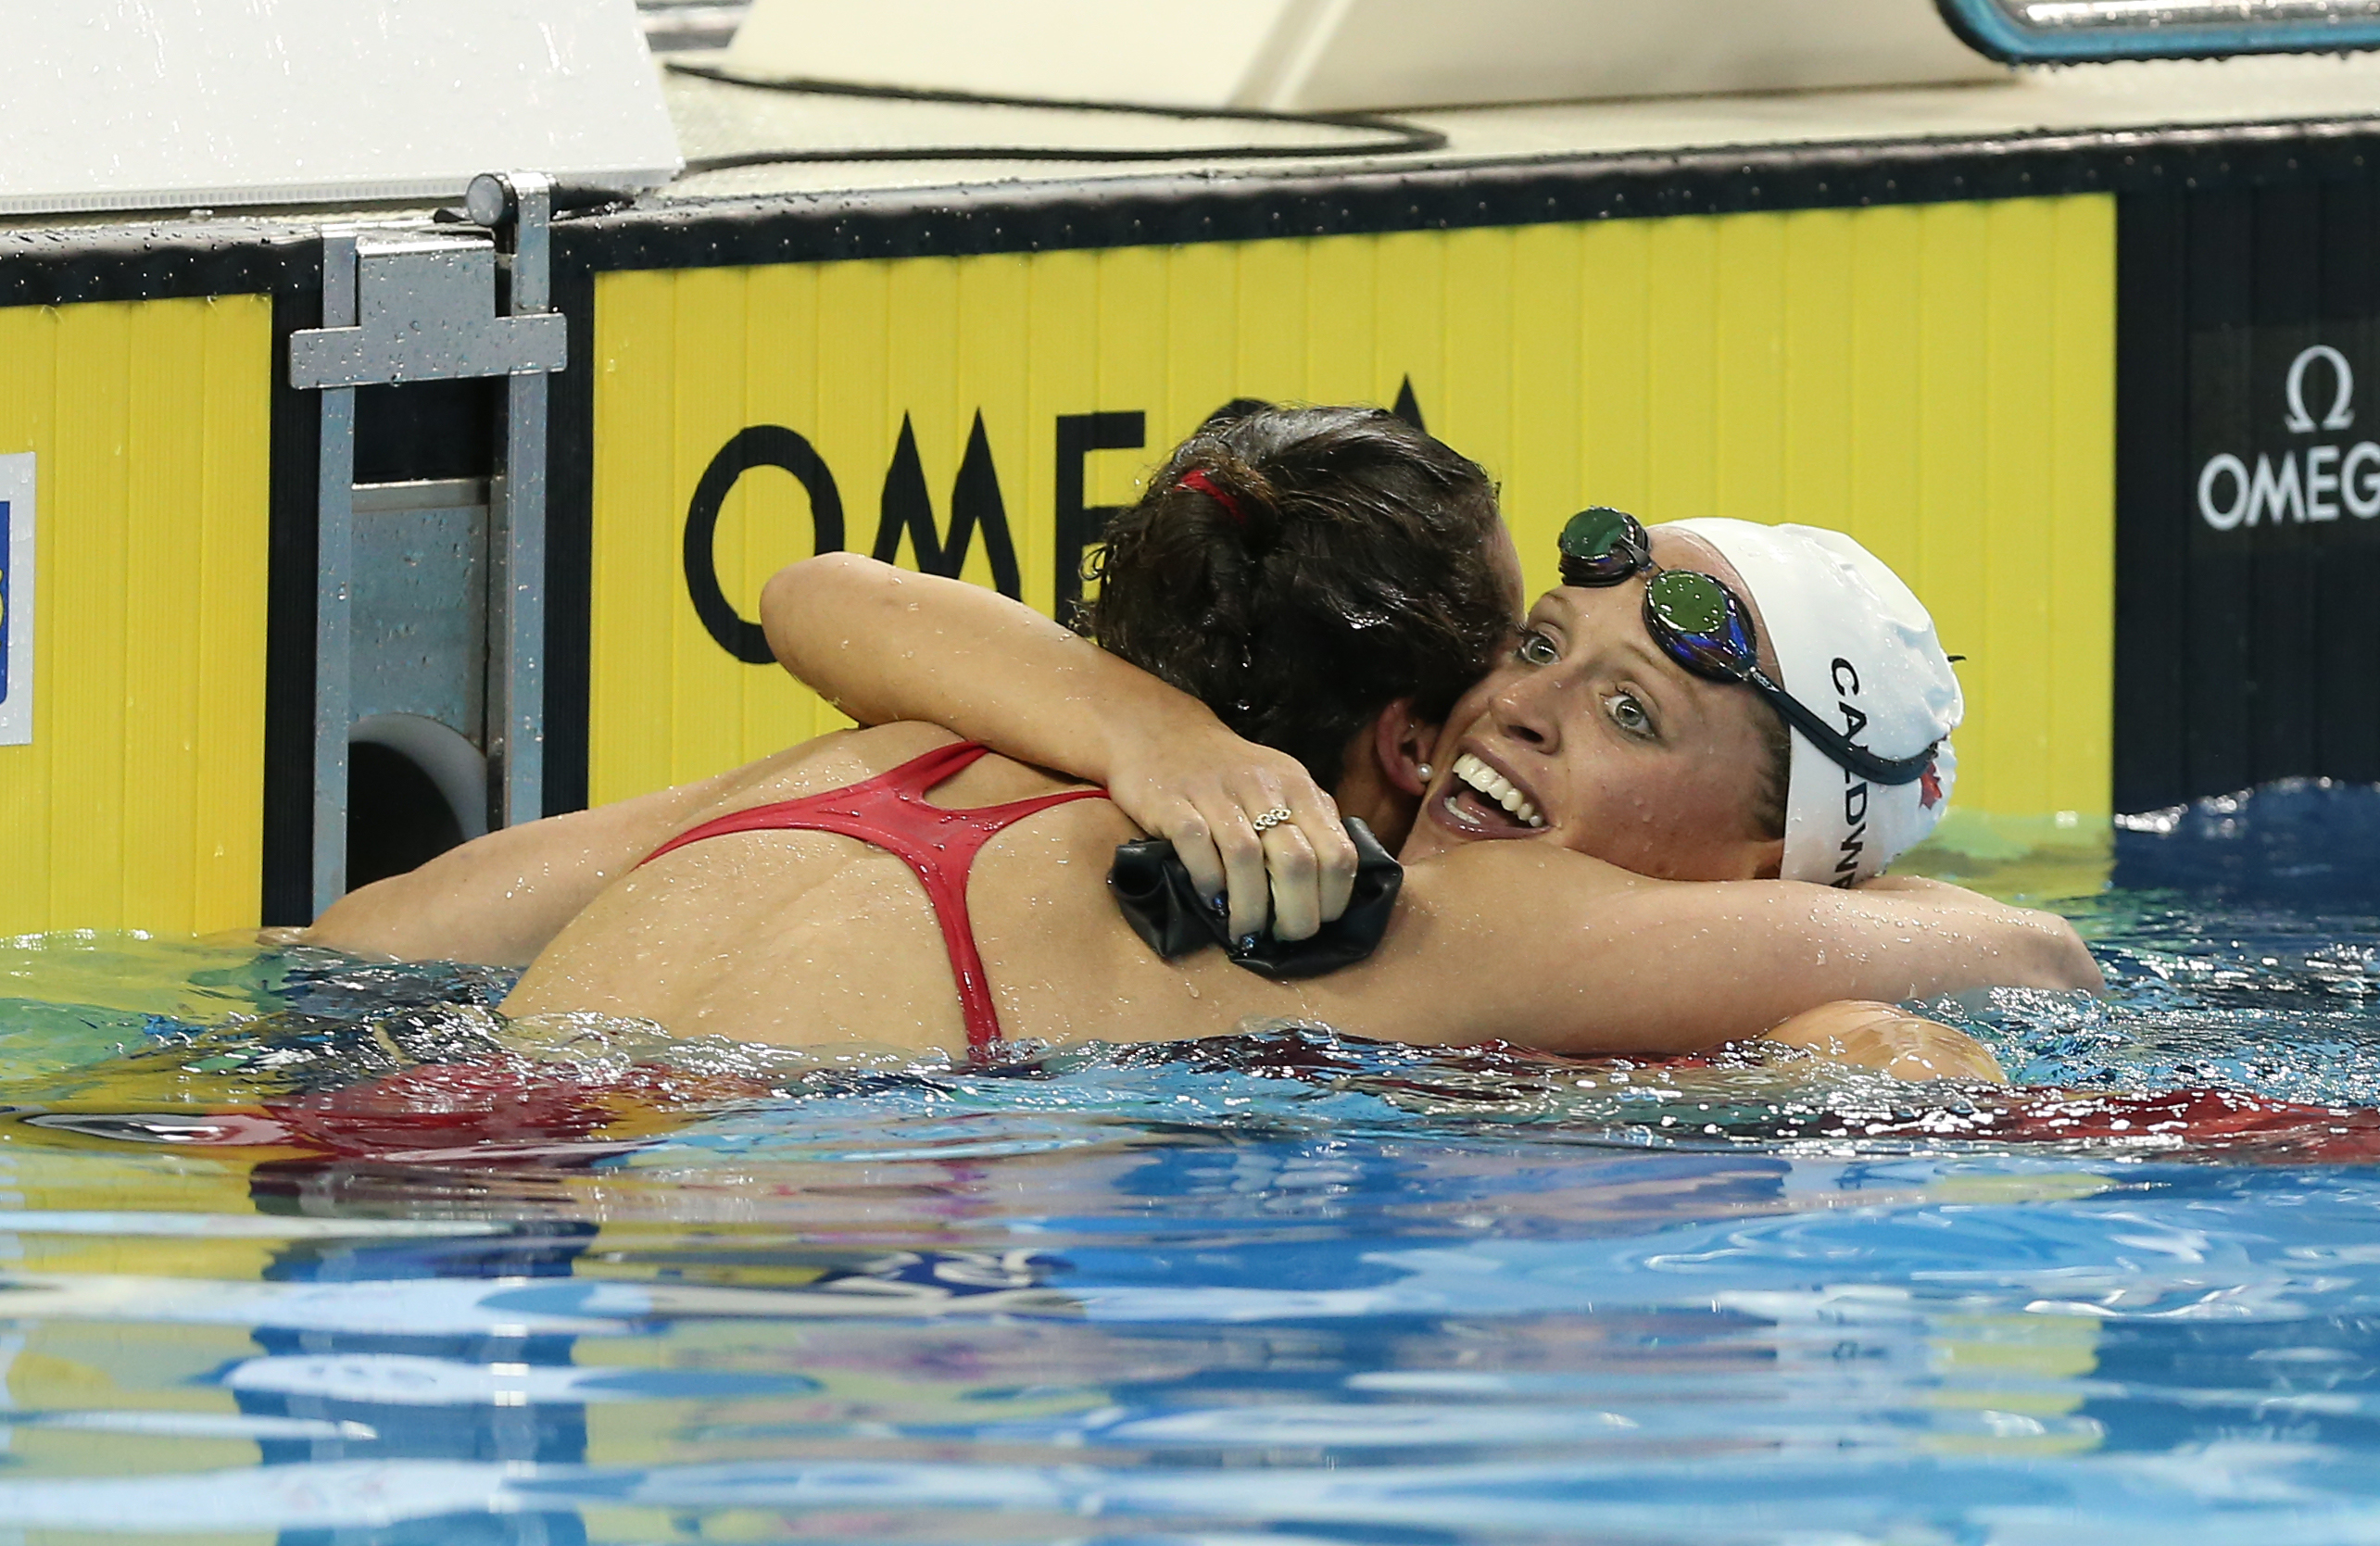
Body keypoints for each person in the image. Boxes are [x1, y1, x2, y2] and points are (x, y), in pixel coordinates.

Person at [312, 406, 2089, 1070]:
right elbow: (2033, 950)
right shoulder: (1405, 930)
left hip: (376, 1120)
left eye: (1627, 708)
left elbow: (352, 949)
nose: (1526, 703)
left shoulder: (897, 755)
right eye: (1536, 646)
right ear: (1399, 739)